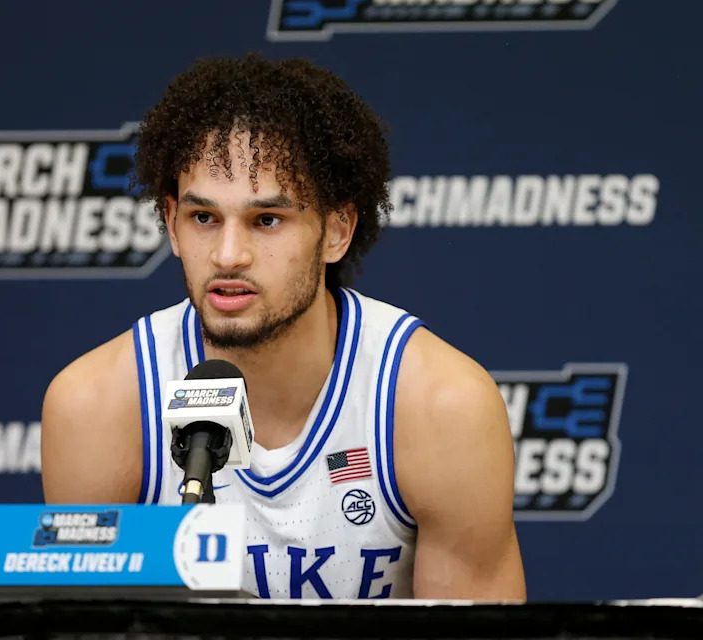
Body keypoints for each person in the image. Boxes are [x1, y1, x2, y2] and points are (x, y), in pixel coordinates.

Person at [41, 53, 526, 601]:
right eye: (204, 218)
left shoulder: (440, 407)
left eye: (266, 220)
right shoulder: (98, 406)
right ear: (172, 225)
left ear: (338, 230)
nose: (228, 255)